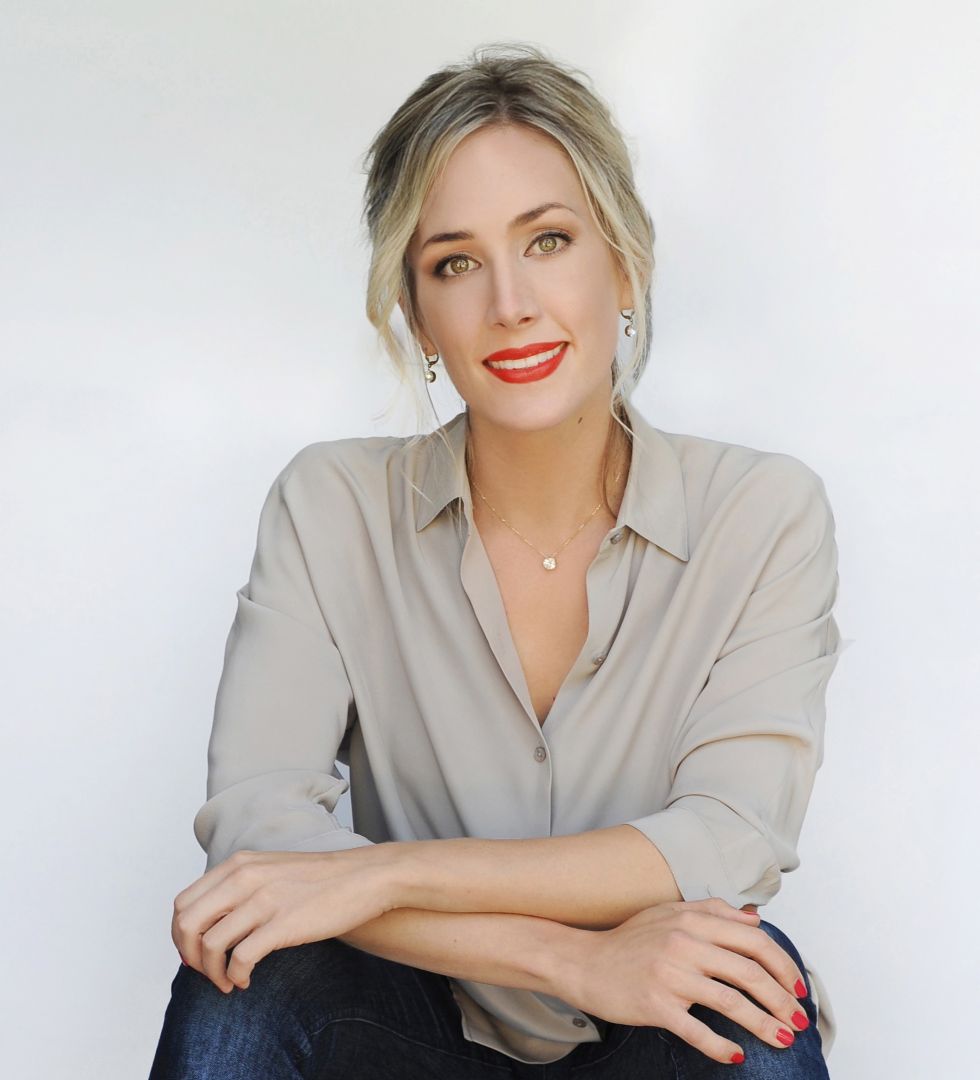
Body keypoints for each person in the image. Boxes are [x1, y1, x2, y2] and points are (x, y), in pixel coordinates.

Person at [149, 42, 846, 1079]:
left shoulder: (762, 513)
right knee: (246, 975)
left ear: (625, 263)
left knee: (744, 988)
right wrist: (566, 959)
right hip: (402, 1021)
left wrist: (381, 875)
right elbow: (260, 842)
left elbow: (725, 838)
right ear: (417, 314)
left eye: (548, 240)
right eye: (455, 263)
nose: (509, 302)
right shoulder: (330, 506)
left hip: (650, 1022)